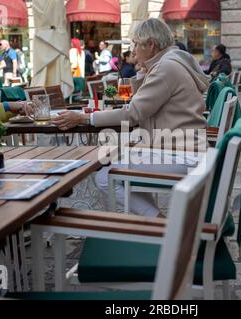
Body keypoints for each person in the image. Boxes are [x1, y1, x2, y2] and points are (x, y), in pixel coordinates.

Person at [52, 18, 210, 217]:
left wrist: (84, 118)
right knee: (122, 159)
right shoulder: (171, 61)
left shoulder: (165, 67)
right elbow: (141, 102)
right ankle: (157, 220)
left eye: (136, 43)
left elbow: (133, 114)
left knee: (104, 176)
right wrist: (144, 70)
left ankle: (160, 224)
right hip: (184, 147)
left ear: (150, 44)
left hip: (181, 153)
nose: (133, 50)